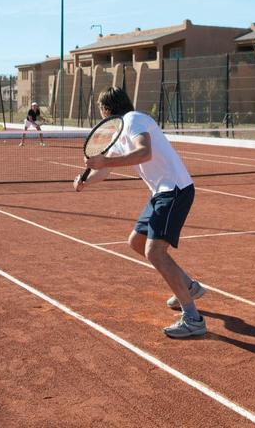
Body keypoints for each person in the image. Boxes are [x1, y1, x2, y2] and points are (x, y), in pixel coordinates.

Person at [73, 87, 206, 338]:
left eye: (100, 110)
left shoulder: (134, 120)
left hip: (174, 190)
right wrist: (85, 181)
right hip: (161, 193)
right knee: (137, 242)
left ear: (106, 109)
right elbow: (104, 170)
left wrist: (106, 161)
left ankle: (193, 318)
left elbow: (145, 152)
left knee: (154, 251)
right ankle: (188, 287)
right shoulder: (120, 131)